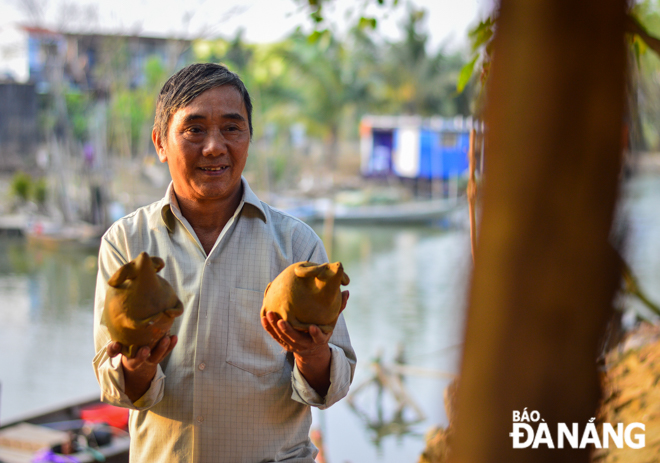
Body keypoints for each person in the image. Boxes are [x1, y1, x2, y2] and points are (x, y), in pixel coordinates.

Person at [92, 62, 356, 462]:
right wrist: (138, 364)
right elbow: (114, 386)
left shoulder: (296, 244)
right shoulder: (126, 243)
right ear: (160, 143)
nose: (214, 146)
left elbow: (333, 387)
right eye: (194, 129)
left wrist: (312, 354)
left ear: (248, 138)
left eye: (232, 128)